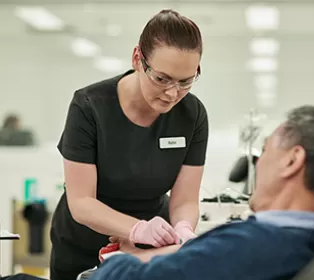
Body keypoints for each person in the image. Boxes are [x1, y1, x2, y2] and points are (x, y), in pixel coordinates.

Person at [88, 105, 314, 280]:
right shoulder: (296, 241)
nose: (258, 162)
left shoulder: (258, 246)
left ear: (292, 161)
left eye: (267, 147)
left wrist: (118, 261)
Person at [50, 9, 208, 280]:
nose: (172, 93)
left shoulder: (192, 115)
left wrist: (182, 230)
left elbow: (184, 199)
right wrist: (136, 229)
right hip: (82, 244)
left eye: (186, 82)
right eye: (162, 78)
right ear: (137, 59)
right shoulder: (90, 107)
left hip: (147, 248)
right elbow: (82, 202)